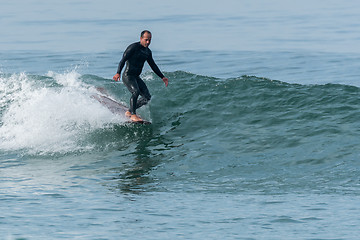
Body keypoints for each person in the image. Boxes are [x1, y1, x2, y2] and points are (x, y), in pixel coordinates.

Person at [113, 30, 169, 122]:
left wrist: (162, 77)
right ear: (141, 38)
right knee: (136, 92)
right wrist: (118, 72)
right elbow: (123, 60)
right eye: (146, 40)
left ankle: (129, 111)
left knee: (147, 97)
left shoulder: (148, 52)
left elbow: (153, 65)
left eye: (150, 40)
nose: (148, 42)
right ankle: (133, 115)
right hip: (128, 76)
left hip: (136, 77)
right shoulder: (133, 47)